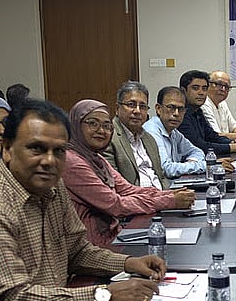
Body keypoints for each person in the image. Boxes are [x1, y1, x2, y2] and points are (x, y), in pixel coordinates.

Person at [0, 99, 166, 301]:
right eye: (36, 149)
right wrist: (105, 295)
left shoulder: (51, 186)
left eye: (59, 151)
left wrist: (129, 263)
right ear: (7, 149)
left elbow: (77, 251)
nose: (49, 161)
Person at [66, 98, 194, 246]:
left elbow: (127, 189)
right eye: (92, 123)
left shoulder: (96, 158)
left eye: (107, 126)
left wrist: (170, 194)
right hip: (92, 248)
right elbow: (115, 204)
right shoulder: (72, 162)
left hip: (114, 234)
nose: (101, 131)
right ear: (76, 125)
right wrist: (169, 201)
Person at [104, 81, 169, 189]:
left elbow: (161, 177)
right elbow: (116, 185)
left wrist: (170, 196)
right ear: (117, 109)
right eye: (131, 105)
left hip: (162, 200)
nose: (137, 111)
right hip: (137, 201)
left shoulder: (149, 139)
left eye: (143, 106)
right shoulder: (109, 137)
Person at [144, 86, 207, 177]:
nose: (176, 113)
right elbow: (166, 169)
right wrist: (205, 166)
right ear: (158, 109)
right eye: (171, 107)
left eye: (181, 109)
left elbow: (197, 151)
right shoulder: (152, 131)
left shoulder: (173, 132)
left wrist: (191, 162)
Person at [177, 69, 236, 157]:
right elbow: (199, 146)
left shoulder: (197, 111)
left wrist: (232, 142)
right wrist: (233, 147)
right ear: (183, 90)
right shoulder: (180, 114)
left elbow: (212, 136)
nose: (201, 93)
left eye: (204, 89)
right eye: (195, 88)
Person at [203, 70, 236, 140]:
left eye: (227, 86)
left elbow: (235, 128)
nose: (223, 89)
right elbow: (217, 136)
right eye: (219, 84)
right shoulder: (204, 104)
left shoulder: (222, 103)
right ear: (208, 85)